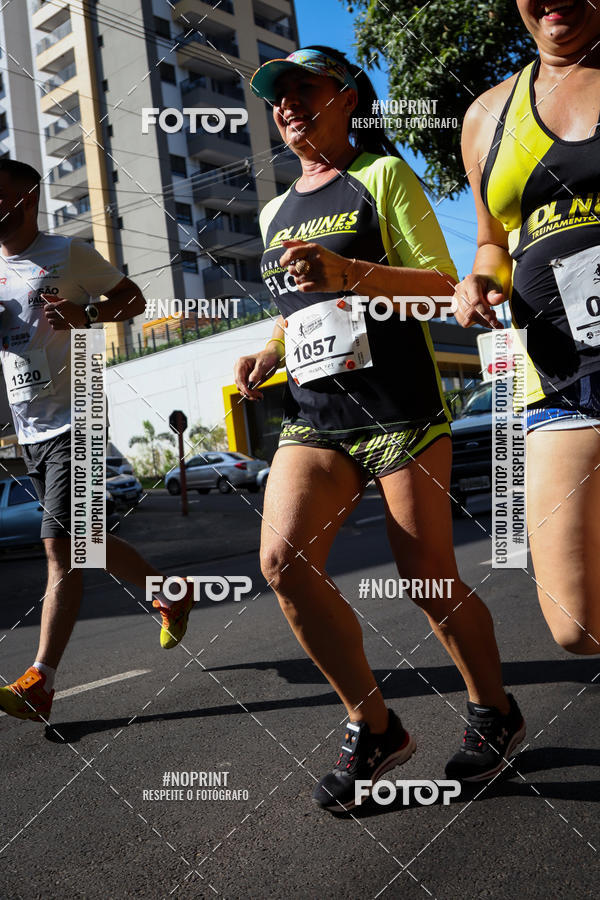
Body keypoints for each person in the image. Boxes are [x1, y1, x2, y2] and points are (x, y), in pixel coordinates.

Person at [234, 46, 525, 812]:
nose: (289, 104)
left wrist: (351, 273)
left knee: (427, 579)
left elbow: (439, 286)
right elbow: (296, 308)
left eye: (305, 88)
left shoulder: (382, 177)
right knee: (282, 561)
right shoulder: (273, 211)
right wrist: (266, 350)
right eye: (278, 96)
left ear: (348, 97)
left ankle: (494, 711)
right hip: (316, 417)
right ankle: (374, 725)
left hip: (398, 410)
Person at [0, 159, 194, 724]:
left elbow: (132, 300)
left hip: (77, 416)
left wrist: (83, 311)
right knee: (87, 544)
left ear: (28, 197)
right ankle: (170, 591)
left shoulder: (69, 253)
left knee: (60, 550)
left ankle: (42, 681)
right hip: (29, 426)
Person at [454, 1, 600, 655]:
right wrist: (480, 280)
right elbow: (492, 243)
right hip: (554, 377)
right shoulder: (487, 116)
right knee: (576, 624)